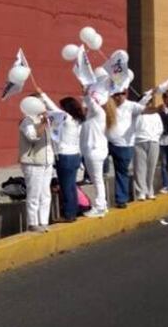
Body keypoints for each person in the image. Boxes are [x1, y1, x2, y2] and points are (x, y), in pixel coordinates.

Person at [37, 85, 84, 223]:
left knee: (66, 186)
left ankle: (69, 214)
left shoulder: (67, 118)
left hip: (65, 156)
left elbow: (53, 108)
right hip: (75, 156)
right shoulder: (77, 120)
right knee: (72, 185)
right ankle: (73, 211)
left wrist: (42, 95)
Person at [106, 88, 154, 208]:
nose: (119, 96)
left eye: (122, 94)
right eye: (116, 94)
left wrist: (158, 109)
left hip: (124, 145)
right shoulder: (108, 105)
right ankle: (101, 201)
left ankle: (121, 199)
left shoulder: (132, 106)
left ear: (125, 95)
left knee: (121, 172)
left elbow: (145, 109)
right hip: (107, 143)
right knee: (99, 170)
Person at [18, 98, 54, 232]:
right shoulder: (27, 121)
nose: (44, 106)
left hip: (47, 161)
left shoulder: (45, 120)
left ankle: (43, 221)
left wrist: (49, 122)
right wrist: (43, 124)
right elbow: (32, 137)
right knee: (34, 193)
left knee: (45, 193)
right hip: (33, 162)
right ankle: (33, 223)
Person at [80, 89, 113, 217]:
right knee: (96, 180)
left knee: (97, 180)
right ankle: (102, 205)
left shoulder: (99, 113)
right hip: (91, 152)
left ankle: (100, 207)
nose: (84, 107)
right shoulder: (90, 117)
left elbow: (91, 103)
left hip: (95, 152)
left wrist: (86, 93)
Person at [133, 93, 163, 201]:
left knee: (151, 168)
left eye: (150, 102)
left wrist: (155, 137)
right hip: (139, 142)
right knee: (140, 168)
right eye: (146, 102)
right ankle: (141, 192)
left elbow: (160, 128)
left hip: (153, 142)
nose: (148, 104)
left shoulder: (156, 115)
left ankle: (150, 190)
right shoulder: (137, 113)